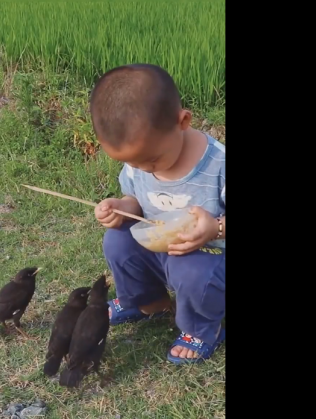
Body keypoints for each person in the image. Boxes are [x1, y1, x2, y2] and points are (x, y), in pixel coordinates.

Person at [90, 64, 225, 364]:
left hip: (211, 258)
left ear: (183, 121)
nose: (142, 169)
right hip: (164, 248)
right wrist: (123, 208)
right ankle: (147, 302)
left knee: (189, 271)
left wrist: (215, 228)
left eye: (150, 161)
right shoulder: (142, 159)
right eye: (132, 163)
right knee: (118, 241)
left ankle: (203, 330)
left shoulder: (219, 166)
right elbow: (135, 198)